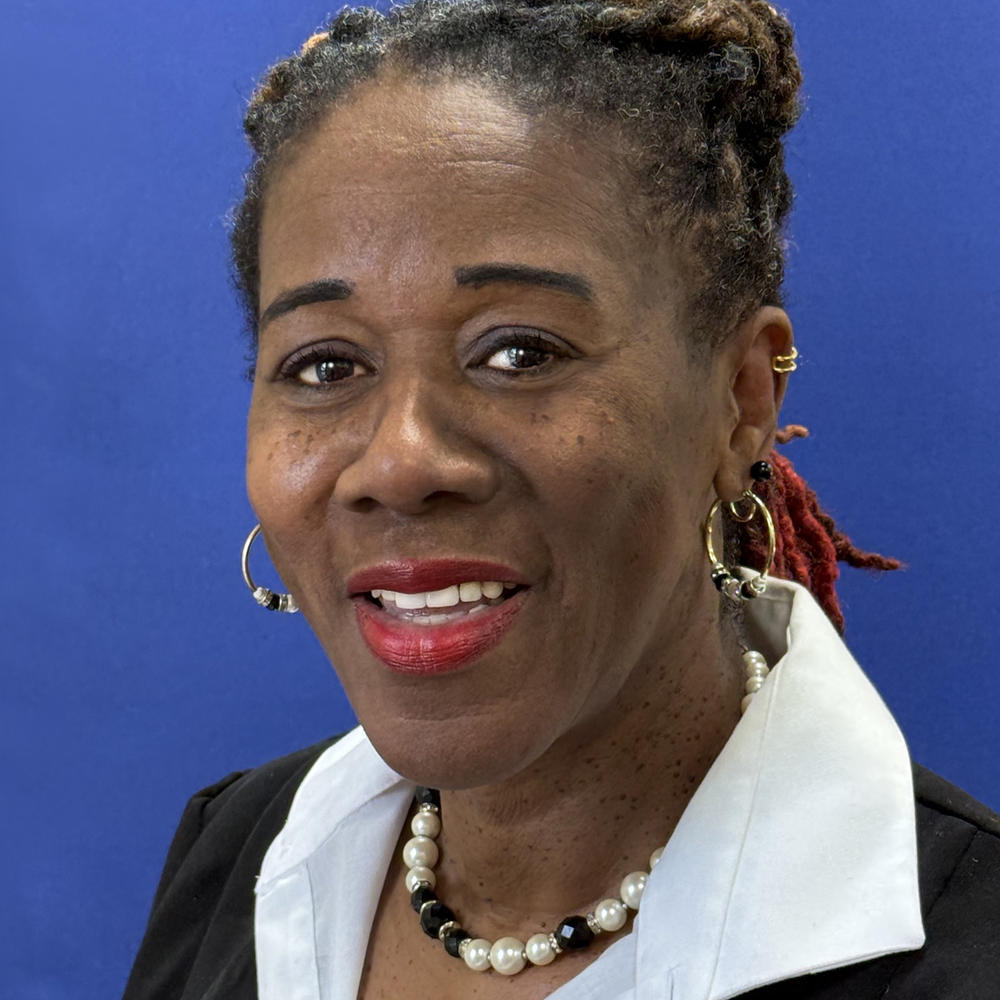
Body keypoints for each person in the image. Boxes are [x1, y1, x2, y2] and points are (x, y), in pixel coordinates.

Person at [123, 1, 1000, 997]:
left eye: (519, 352)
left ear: (739, 402)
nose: (400, 463)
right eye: (325, 364)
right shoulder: (239, 852)